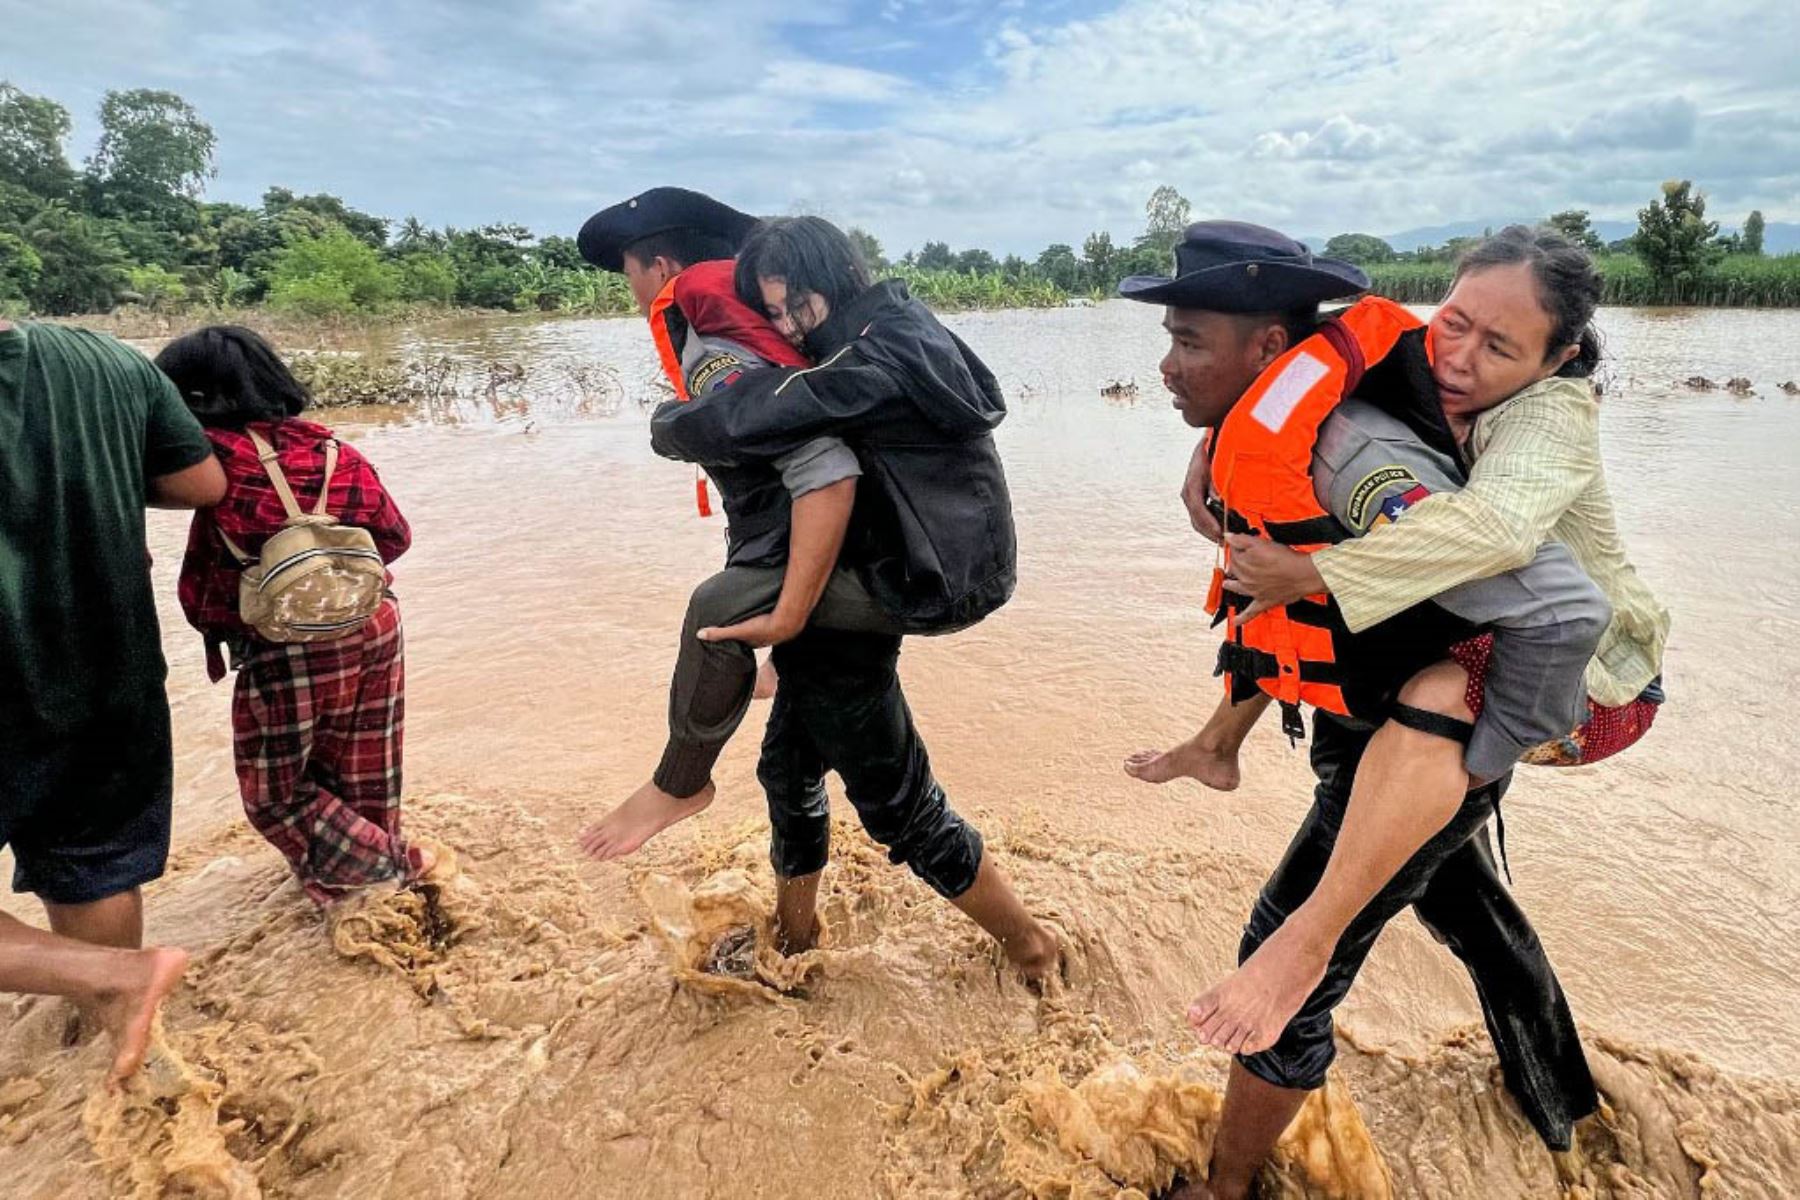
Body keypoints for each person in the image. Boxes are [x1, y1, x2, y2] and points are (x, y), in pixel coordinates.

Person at [1111, 223, 1605, 1198]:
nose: (1166, 367)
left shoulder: (1350, 450)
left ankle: (1228, 1188)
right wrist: (1220, 737)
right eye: (1168, 340)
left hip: (1421, 745)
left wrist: (1482, 755)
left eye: (1189, 343)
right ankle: (1564, 1104)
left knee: (1288, 954)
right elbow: (1289, 604)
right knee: (1471, 915)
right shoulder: (1274, 413)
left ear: (1266, 349)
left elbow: (1556, 604)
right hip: (1368, 725)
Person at [645, 215, 1057, 981]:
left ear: (824, 287)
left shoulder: (874, 354)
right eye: (767, 314)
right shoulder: (894, 328)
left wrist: (673, 421)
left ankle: (1032, 946)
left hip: (917, 576)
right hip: (905, 561)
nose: (780, 327)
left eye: (787, 308)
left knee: (894, 799)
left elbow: (774, 406)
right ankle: (795, 940)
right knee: (790, 763)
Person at [572, 187, 884, 861]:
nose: (630, 287)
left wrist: (788, 611)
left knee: (713, 613)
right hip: (831, 532)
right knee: (796, 773)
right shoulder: (744, 316)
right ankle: (795, 934)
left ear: (657, 265)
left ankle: (681, 781)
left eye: (628, 270)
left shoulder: (711, 337)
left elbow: (818, 463)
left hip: (839, 539)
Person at [1, 317, 219, 1082]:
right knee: (91, 864)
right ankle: (116, 1054)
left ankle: (116, 982)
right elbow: (202, 483)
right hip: (106, 668)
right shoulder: (101, 359)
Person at [154, 326, 424, 907]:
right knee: (365, 775)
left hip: (285, 645)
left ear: (188, 400)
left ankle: (396, 870)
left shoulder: (215, 458)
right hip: (375, 622)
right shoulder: (334, 450)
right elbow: (395, 539)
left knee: (274, 795)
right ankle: (363, 892)